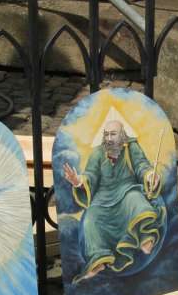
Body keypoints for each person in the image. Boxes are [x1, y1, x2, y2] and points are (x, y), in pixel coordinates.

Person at [62, 120, 164, 283]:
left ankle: (146, 236)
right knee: (90, 219)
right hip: (103, 199)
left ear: (122, 135)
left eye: (113, 134)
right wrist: (78, 181)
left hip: (127, 191)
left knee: (137, 202)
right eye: (106, 134)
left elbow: (141, 166)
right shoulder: (97, 154)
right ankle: (99, 258)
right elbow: (90, 175)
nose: (109, 138)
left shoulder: (131, 148)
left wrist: (149, 175)